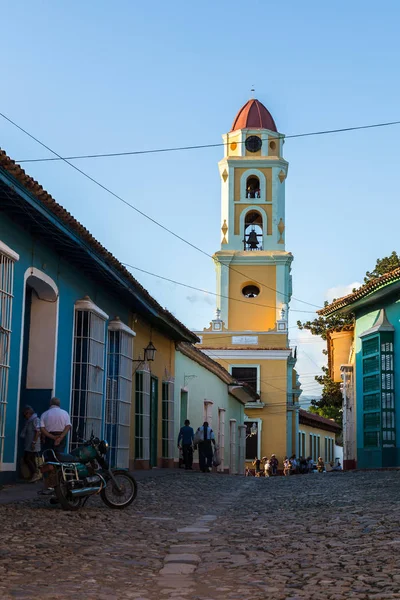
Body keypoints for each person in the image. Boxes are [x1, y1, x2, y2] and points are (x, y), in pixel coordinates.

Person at [20, 405, 41, 482]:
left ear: (29, 413)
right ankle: (34, 475)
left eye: (25, 414)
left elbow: (37, 431)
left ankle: (35, 473)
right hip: (29, 443)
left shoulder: (35, 420)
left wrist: (34, 442)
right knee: (31, 458)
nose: (25, 416)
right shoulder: (29, 421)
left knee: (27, 458)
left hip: (32, 443)